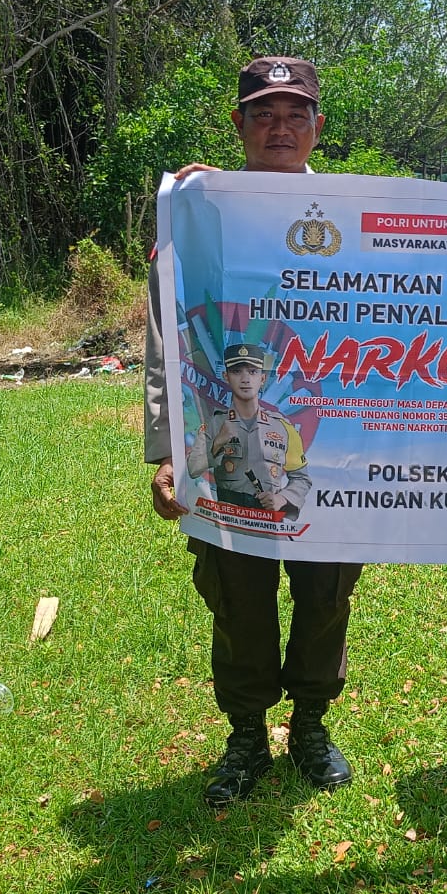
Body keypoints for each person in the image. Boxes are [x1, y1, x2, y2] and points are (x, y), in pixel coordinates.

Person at [144, 57, 359, 807]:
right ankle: (245, 734)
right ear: (238, 125)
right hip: (226, 448)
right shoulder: (199, 217)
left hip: (328, 450)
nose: (279, 127)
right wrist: (167, 449)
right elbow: (163, 338)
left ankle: (309, 724)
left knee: (326, 590)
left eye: (294, 113)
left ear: (318, 128)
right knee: (236, 592)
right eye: (262, 114)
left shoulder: (357, 212)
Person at [187, 343, 310, 518]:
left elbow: (301, 478)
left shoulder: (283, 428)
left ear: (262, 379)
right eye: (237, 371)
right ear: (226, 377)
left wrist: (282, 498)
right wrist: (219, 441)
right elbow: (193, 469)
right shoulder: (214, 424)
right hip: (226, 522)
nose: (245, 379)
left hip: (266, 525)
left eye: (252, 372)